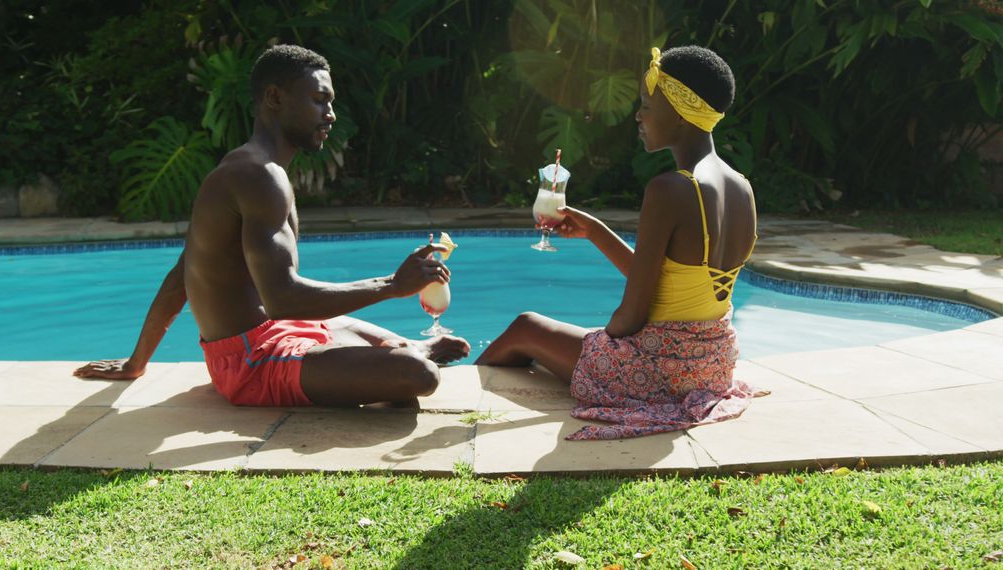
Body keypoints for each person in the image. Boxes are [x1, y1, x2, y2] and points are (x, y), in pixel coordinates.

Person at [74, 44, 470, 407]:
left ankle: (401, 350)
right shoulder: (259, 176)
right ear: (275, 98)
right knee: (418, 375)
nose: (330, 115)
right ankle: (409, 356)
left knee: (392, 347)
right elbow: (283, 298)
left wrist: (136, 362)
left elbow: (183, 274)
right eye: (319, 101)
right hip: (253, 362)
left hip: (276, 333)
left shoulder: (247, 168)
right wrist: (392, 285)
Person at [476, 45, 758, 440]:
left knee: (526, 328)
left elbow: (632, 317)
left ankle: (464, 404)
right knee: (567, 334)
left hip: (662, 371)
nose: (638, 116)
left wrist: (602, 339)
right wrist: (596, 232)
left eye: (646, 105)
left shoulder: (670, 189)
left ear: (679, 113)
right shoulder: (741, 187)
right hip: (711, 366)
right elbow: (675, 287)